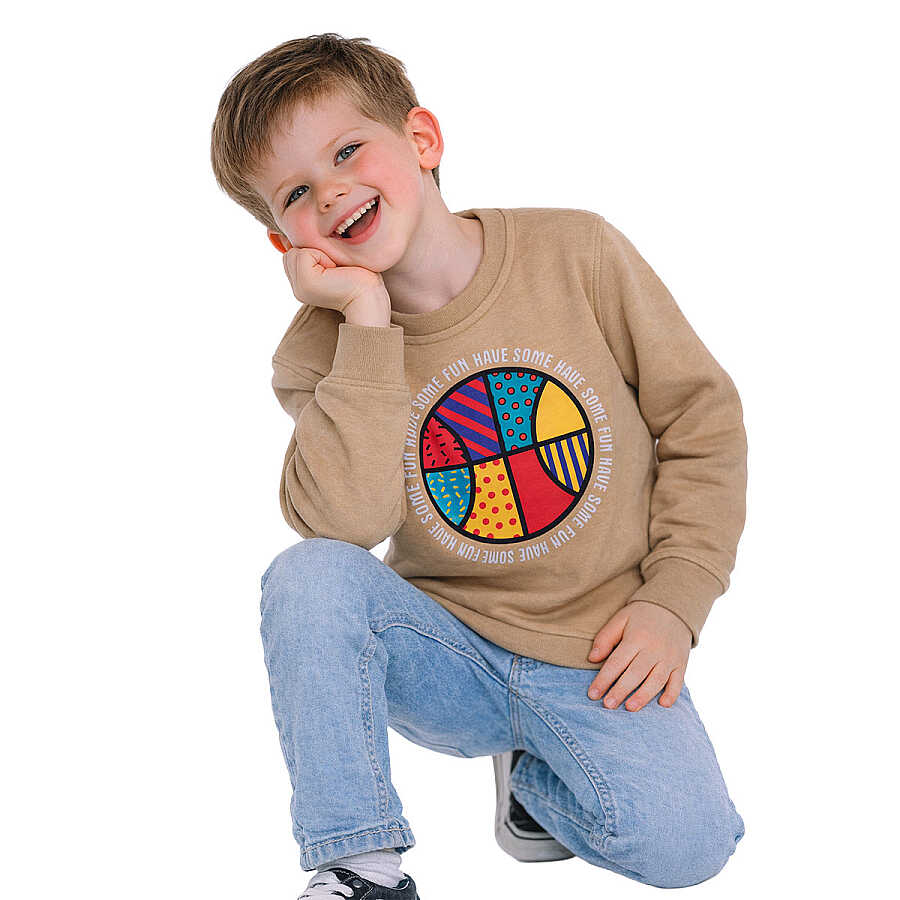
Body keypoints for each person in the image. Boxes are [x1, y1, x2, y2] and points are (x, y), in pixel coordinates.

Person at [210, 32, 747, 900]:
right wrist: (365, 320)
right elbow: (345, 527)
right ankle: (361, 868)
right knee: (307, 576)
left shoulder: (578, 253)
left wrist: (674, 602)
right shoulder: (315, 354)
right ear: (285, 245)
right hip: (446, 656)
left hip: (600, 651)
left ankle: (539, 780)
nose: (332, 190)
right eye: (297, 193)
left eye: (347, 151)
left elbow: (700, 418)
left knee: (690, 846)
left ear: (421, 139)